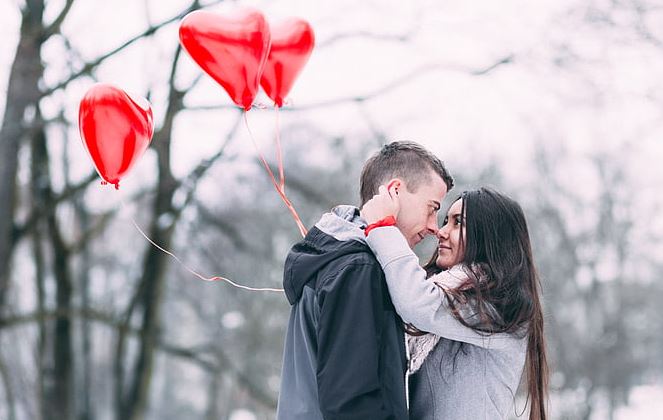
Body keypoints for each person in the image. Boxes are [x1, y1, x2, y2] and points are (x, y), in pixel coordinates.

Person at [276, 141, 454, 420]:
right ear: (395, 191)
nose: (434, 226)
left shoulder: (336, 258)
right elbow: (352, 397)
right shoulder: (358, 268)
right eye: (432, 208)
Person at [361, 186, 549, 420]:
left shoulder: (498, 306)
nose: (441, 231)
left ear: (490, 236)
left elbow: (417, 304)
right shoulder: (447, 292)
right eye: (445, 221)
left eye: (458, 223)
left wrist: (383, 229)